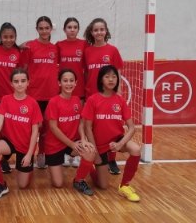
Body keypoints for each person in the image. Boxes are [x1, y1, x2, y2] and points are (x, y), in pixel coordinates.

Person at [78, 65, 142, 202]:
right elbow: (87, 127)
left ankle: (124, 185)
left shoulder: (120, 100)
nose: (111, 79)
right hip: (98, 144)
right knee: (103, 186)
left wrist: (120, 144)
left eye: (114, 76)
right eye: (107, 76)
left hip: (116, 140)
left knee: (136, 149)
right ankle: (91, 167)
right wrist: (94, 152)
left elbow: (131, 127)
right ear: (101, 80)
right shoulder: (93, 100)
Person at [0, 68, 42, 199]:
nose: (20, 84)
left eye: (23, 81)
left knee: (23, 185)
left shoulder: (33, 103)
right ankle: (1, 184)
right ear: (11, 83)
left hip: (25, 146)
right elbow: (0, 119)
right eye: (16, 81)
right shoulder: (6, 99)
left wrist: (29, 154)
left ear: (28, 82)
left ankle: (27, 166)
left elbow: (35, 131)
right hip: (9, 142)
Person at [43, 69, 96, 195]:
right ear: (59, 83)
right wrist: (72, 144)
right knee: (58, 184)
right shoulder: (54, 102)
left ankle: (79, 179)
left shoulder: (77, 100)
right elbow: (53, 127)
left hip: (72, 143)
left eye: (71, 81)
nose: (68, 84)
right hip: (54, 146)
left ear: (76, 83)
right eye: (65, 81)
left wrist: (83, 139)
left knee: (90, 151)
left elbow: (80, 123)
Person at [83, 18, 125, 175]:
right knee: (94, 128)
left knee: (111, 128)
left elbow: (118, 73)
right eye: (96, 30)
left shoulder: (112, 50)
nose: (99, 32)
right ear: (91, 32)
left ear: (106, 31)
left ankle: (111, 158)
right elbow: (86, 72)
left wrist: (118, 92)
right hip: (92, 95)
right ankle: (97, 156)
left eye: (102, 29)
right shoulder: (87, 51)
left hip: (109, 96)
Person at [19, 16, 59, 169]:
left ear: (51, 29)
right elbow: (22, 69)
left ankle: (42, 154)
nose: (44, 31)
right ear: (37, 29)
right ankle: (28, 153)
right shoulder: (29, 47)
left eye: (46, 28)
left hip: (51, 95)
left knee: (47, 128)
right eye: (41, 28)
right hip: (34, 95)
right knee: (33, 127)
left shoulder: (55, 49)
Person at [55, 17, 88, 167]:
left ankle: (75, 153)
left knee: (77, 121)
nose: (72, 29)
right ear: (64, 29)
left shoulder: (84, 44)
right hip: (63, 89)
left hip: (79, 89)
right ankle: (64, 151)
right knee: (64, 122)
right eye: (69, 27)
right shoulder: (59, 45)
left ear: (78, 29)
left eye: (75, 27)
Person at [0, 22, 21, 174]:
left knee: (12, 131)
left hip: (14, 98)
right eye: (5, 37)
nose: (8, 40)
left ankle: (5, 160)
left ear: (15, 37)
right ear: (0, 37)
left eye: (11, 37)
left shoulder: (20, 52)